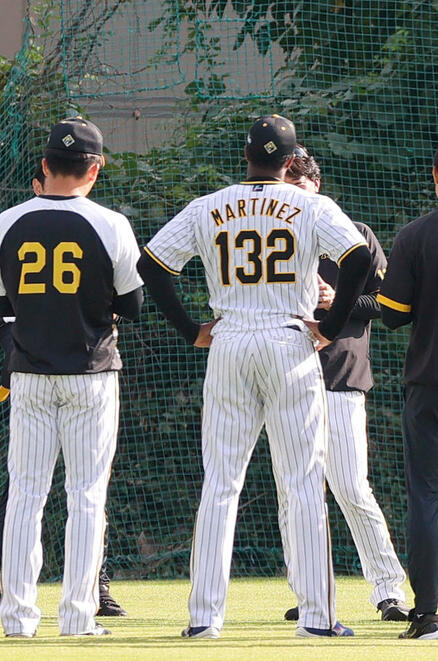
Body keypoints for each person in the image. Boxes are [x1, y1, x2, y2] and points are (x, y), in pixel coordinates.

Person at [137, 115, 372, 639]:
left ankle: (203, 619)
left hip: (230, 340)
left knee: (220, 482)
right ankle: (316, 619)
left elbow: (151, 264)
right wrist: (331, 326)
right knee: (304, 482)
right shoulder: (310, 204)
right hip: (290, 340)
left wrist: (189, 329)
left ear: (246, 156)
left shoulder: (210, 205)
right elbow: (357, 259)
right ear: (292, 163)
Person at [0, 117, 144, 638]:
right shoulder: (110, 222)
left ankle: (16, 617)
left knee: (26, 494)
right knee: (86, 496)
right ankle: (77, 617)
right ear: (93, 169)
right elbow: (133, 304)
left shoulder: (8, 220)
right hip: (90, 372)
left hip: (29, 373)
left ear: (45, 165)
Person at [276, 145, 408, 622]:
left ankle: (388, 590)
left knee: (351, 486)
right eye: (286, 192)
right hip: (285, 373)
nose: (296, 203)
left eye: (302, 192)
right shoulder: (269, 235)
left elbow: (390, 306)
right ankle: (309, 591)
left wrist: (339, 303)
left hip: (340, 375)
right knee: (295, 490)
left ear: (317, 188)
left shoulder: (356, 235)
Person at [376, 146, 438, 641]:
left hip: (429, 383)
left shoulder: (416, 234)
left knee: (428, 495)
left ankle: (432, 613)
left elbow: (393, 311)